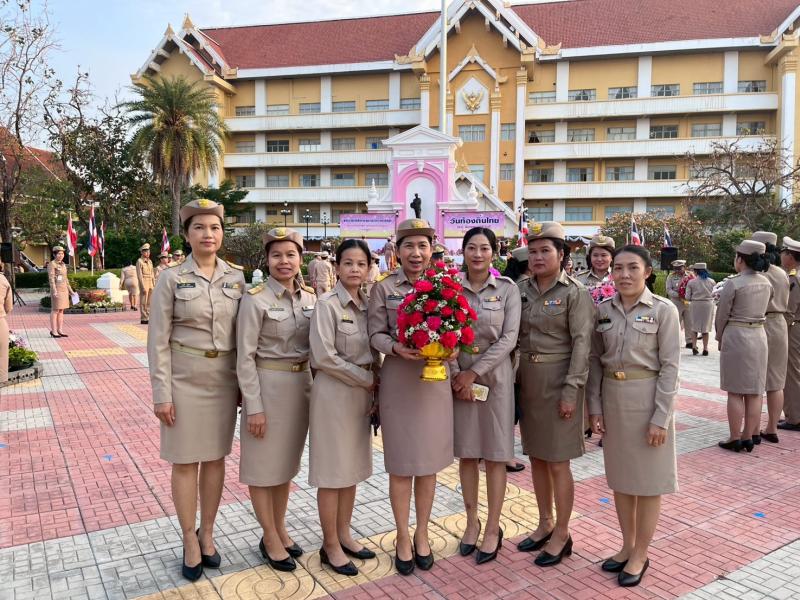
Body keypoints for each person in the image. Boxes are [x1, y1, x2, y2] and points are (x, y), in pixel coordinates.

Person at [147, 199, 246, 582]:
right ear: (187, 235)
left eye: (215, 227)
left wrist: (245, 386)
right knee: (186, 461)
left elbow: (244, 337)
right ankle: (189, 537)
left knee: (216, 459)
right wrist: (162, 393)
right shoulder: (171, 278)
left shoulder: (236, 277)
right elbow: (158, 340)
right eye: (200, 227)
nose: (208, 234)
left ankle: (208, 532)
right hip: (184, 381)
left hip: (223, 381)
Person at [587, 245, 680, 588]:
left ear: (648, 272)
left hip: (647, 400)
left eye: (632, 268)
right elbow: (595, 361)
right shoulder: (603, 310)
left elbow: (671, 367)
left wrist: (661, 418)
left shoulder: (663, 310)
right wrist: (594, 407)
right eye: (618, 268)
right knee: (622, 480)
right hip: (613, 399)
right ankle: (626, 545)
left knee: (648, 483)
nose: (624, 274)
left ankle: (641, 552)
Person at [368, 218, 454, 576]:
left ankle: (422, 533)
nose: (416, 253)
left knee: (428, 465)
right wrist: (395, 348)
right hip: (399, 381)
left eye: (422, 245)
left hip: (435, 383)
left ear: (432, 249)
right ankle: (402, 535)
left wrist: (452, 349)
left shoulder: (446, 285)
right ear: (397, 250)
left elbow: (459, 327)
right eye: (409, 246)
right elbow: (374, 333)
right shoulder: (384, 287)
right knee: (402, 465)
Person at [237, 227, 316, 573]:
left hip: (301, 387)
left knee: (285, 466)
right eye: (276, 255)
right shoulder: (255, 299)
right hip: (267, 388)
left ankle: (280, 528)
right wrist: (253, 406)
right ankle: (269, 536)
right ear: (267, 260)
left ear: (300, 259)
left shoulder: (311, 298)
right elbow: (244, 357)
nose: (284, 261)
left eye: (290, 255)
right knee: (262, 468)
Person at [516, 222, 593, 567]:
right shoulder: (520, 290)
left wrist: (571, 391)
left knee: (559, 462)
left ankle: (562, 532)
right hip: (528, 381)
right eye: (532, 252)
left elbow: (582, 346)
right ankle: (544, 522)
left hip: (560, 381)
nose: (537, 257)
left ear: (561, 255)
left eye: (545, 251)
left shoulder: (575, 293)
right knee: (537, 457)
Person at [451, 228, 521, 564]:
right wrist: (456, 374)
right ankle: (471, 522)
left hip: (495, 378)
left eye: (484, 248)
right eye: (471, 248)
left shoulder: (507, 289)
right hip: (459, 376)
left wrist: (473, 373)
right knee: (467, 454)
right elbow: (443, 331)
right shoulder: (450, 288)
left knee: (495, 455)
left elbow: (509, 338)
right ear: (463, 251)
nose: (477, 254)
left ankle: (493, 527)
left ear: (494, 252)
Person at [309, 239, 378, 577]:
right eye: (348, 263)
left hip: (361, 396)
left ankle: (344, 533)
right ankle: (330, 545)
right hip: (334, 394)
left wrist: (376, 386)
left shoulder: (368, 306)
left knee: (350, 469)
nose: (354, 269)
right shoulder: (327, 305)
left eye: (360, 264)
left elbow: (375, 351)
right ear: (336, 267)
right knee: (332, 473)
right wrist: (366, 379)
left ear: (368, 269)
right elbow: (323, 357)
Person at [715, 240, 772, 453]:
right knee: (755, 391)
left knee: (735, 391)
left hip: (737, 335)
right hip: (759, 335)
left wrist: (720, 337)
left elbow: (722, 314)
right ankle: (749, 436)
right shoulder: (767, 282)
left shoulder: (734, 283)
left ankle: (734, 437)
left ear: (740, 259)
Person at [751, 232, 790, 443]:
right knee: (776, 382)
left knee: (755, 381)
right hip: (780, 324)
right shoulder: (783, 273)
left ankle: (753, 430)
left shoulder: (757, 274)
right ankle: (772, 428)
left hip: (760, 323)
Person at [779, 236, 800, 432]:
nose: (781, 257)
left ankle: (795, 417)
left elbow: (789, 311)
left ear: (790, 257)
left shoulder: (794, 278)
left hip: (794, 328)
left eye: (783, 253)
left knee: (792, 374)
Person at [685, 263, 716, 356]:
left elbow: (687, 297)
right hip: (708, 305)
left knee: (694, 327)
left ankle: (694, 347)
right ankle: (705, 348)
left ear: (696, 271)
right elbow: (715, 295)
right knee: (705, 328)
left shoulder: (691, 282)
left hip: (696, 304)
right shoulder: (712, 281)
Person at [665, 260, 694, 349]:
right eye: (675, 268)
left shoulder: (690, 276)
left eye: (679, 268)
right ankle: (675, 341)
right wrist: (679, 295)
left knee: (689, 322)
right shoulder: (671, 277)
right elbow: (668, 289)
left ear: (684, 267)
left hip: (688, 302)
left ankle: (689, 341)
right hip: (676, 302)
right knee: (676, 322)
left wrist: (689, 295)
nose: (677, 270)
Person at [47, 246, 74, 338]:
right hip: (57, 290)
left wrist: (71, 291)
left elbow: (66, 279)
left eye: (62, 253)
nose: (61, 255)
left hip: (64, 290)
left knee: (61, 310)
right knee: (55, 310)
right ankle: (54, 331)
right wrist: (54, 291)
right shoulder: (52, 264)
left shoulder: (63, 264)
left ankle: (60, 330)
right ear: (54, 254)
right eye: (59, 253)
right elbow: (51, 279)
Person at [137, 243, 155, 325]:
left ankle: (148, 316)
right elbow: (139, 275)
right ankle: (144, 318)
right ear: (142, 252)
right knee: (143, 301)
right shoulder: (139, 261)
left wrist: (153, 284)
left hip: (150, 281)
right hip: (144, 281)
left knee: (150, 301)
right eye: (146, 251)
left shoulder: (150, 261)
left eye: (148, 251)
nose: (148, 253)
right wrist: (142, 286)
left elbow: (152, 273)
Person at [0, 259, 12, 384]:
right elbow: (9, 307)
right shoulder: (3, 280)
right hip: (0, 321)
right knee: (2, 354)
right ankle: (1, 379)